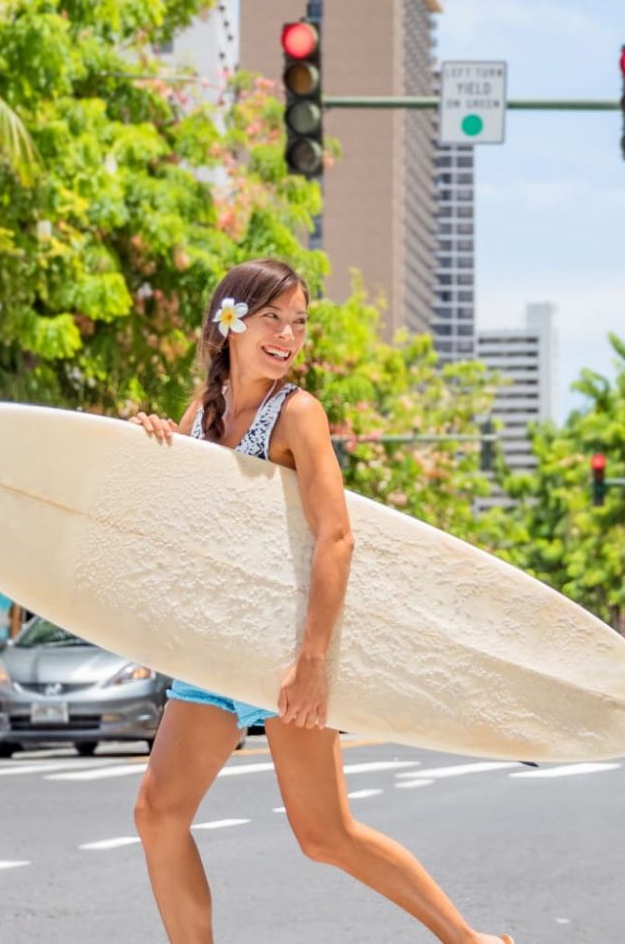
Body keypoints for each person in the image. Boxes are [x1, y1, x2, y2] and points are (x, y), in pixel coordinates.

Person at [127, 258, 512, 944]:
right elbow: (174, 528)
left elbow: (335, 537)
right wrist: (152, 444)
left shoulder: (296, 415)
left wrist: (312, 659)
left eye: (298, 322)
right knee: (157, 812)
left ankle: (471, 942)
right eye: (272, 318)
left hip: (280, 651)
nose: (287, 335)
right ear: (229, 323)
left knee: (325, 835)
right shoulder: (197, 416)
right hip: (215, 653)